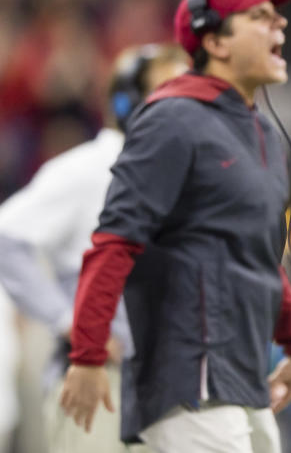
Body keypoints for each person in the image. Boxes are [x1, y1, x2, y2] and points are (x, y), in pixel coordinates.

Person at [59, 0, 291, 453]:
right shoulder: (172, 118)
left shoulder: (262, 131)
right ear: (214, 40)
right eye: (258, 16)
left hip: (243, 376)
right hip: (190, 375)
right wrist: (87, 356)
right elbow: (114, 241)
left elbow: (258, 254)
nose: (278, 21)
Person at [0, 42, 188, 453]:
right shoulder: (88, 169)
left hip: (167, 383)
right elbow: (6, 237)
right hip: (100, 380)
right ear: (127, 103)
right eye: (170, 89)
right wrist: (68, 320)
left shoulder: (176, 173)